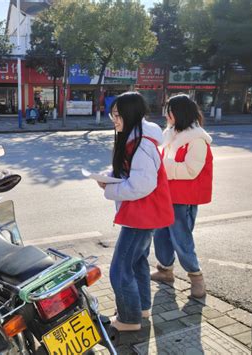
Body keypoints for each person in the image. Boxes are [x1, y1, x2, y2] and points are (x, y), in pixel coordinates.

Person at [97, 92, 174, 331]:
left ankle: (129, 319)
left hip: (141, 216)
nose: (114, 120)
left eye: (118, 115)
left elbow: (142, 184)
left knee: (119, 270)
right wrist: (111, 177)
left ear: (131, 115)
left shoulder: (140, 144)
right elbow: (132, 173)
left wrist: (111, 186)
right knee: (138, 262)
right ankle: (140, 308)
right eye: (113, 115)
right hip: (144, 215)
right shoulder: (138, 138)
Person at [151, 94, 213, 299]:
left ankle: (197, 279)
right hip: (165, 195)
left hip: (183, 198)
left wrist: (163, 166)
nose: (166, 115)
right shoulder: (170, 134)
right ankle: (165, 270)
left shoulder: (197, 139)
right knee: (160, 236)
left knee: (181, 239)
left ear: (180, 113)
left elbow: (191, 171)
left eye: (169, 111)